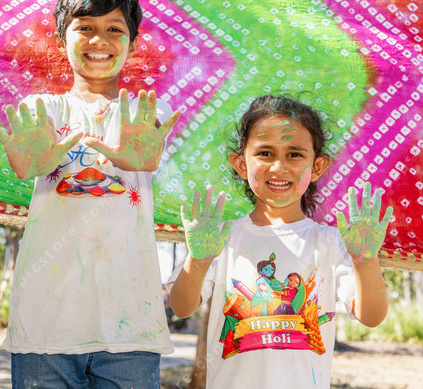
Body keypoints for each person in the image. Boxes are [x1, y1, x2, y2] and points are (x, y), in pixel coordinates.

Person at [0, 0, 180, 387]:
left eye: (114, 29)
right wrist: (32, 161)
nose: (99, 40)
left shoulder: (144, 114)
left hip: (131, 328)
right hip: (45, 326)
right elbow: (29, 161)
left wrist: (144, 156)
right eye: (85, 27)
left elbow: (150, 154)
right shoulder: (42, 110)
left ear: (132, 44)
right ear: (61, 41)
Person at [167, 95, 392, 388]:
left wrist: (365, 262)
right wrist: (198, 260)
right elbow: (181, 307)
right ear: (241, 164)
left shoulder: (331, 242)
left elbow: (371, 317)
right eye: (265, 153)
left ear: (318, 166)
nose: (278, 167)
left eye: (294, 154)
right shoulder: (219, 237)